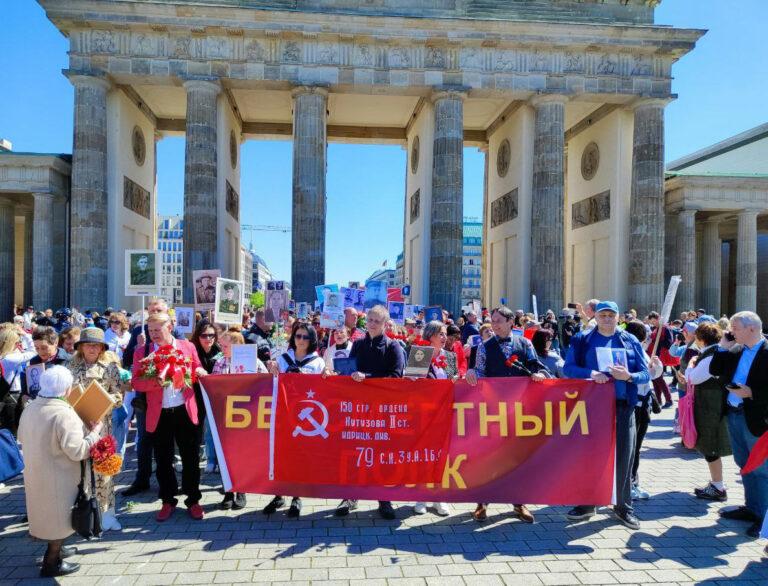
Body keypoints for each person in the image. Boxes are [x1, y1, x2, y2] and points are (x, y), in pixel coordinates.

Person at [563, 300, 650, 530]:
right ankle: (587, 503)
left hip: (623, 405)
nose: (607, 319)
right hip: (593, 406)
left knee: (624, 457)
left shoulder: (629, 340)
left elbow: (645, 374)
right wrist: (591, 373)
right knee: (589, 456)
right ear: (596, 317)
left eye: (611, 315)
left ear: (618, 317)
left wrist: (628, 376)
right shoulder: (583, 339)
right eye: (603, 315)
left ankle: (623, 507)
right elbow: (568, 368)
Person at [17, 366, 104, 577]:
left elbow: (21, 437)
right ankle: (51, 562)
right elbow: (78, 451)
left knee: (47, 516)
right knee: (59, 519)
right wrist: (94, 434)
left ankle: (60, 549)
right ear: (66, 389)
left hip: (36, 472)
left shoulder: (30, 407)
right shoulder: (63, 413)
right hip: (59, 476)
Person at [465, 306, 547, 524]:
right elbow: (479, 371)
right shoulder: (484, 347)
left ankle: (519, 502)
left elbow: (536, 367)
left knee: (517, 457)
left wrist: (539, 374)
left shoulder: (525, 344)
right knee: (489, 457)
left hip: (520, 409)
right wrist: (472, 372)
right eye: (493, 321)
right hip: (493, 410)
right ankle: (482, 502)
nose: (495, 324)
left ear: (512, 322)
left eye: (499, 320)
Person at [131, 313, 208, 522]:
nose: (154, 334)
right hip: (159, 413)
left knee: (191, 458)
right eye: (151, 330)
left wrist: (199, 371)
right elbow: (136, 383)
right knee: (163, 459)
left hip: (185, 409)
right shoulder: (142, 352)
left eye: (158, 330)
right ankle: (167, 499)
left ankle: (193, 499)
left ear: (170, 327)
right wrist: (156, 382)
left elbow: (196, 367)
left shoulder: (187, 346)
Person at [335, 305, 406, 519]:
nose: (372, 324)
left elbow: (396, 377)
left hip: (382, 410)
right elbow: (349, 372)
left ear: (385, 324)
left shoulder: (394, 346)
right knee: (355, 452)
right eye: (370, 320)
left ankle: (384, 498)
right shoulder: (357, 344)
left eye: (377, 321)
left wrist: (368, 377)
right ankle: (350, 495)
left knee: (382, 454)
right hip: (359, 409)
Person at [708, 311, 768, 538]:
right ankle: (752, 508)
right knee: (743, 463)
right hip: (734, 414)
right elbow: (715, 369)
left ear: (751, 329)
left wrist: (751, 392)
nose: (731, 332)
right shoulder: (736, 349)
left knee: (761, 469)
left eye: (736, 328)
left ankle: (763, 519)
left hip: (757, 419)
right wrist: (722, 346)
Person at [68, 327, 129, 531]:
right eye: (88, 344)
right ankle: (84, 514)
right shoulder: (71, 366)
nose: (92, 348)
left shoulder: (110, 367)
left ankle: (108, 513)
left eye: (96, 345)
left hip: (103, 427)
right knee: (81, 472)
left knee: (105, 471)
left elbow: (119, 396)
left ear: (102, 347)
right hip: (78, 427)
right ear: (81, 347)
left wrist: (108, 400)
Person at [263, 323, 326, 518]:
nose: (301, 340)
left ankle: (297, 496)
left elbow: (323, 390)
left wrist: (327, 377)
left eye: (305, 337)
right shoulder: (282, 359)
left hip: (306, 419)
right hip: (284, 414)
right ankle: (279, 493)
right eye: (298, 336)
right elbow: (272, 384)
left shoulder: (317, 362)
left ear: (312, 340)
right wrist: (270, 369)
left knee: (300, 458)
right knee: (281, 456)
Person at [210, 330, 267, 510]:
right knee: (225, 454)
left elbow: (266, 383)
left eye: (225, 346)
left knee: (241, 454)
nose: (221, 348)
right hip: (225, 415)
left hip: (246, 416)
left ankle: (241, 490)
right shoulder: (219, 362)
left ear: (236, 346)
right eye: (221, 345)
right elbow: (213, 385)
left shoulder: (254, 362)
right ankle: (228, 491)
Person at [685, 322, 731, 502]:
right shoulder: (715, 352)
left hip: (710, 407)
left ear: (701, 339)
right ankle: (717, 484)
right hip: (713, 404)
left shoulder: (710, 356)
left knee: (711, 447)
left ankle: (718, 486)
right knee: (711, 447)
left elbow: (693, 378)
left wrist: (690, 365)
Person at [414, 320, 455, 517]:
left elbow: (458, 379)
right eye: (441, 333)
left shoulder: (451, 356)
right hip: (425, 414)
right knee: (424, 455)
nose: (444, 337)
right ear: (430, 335)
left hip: (446, 414)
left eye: (445, 333)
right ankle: (421, 496)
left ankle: (440, 497)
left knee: (442, 456)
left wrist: (458, 379)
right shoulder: (420, 354)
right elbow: (412, 384)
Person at [623, 320, 662, 501]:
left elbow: (652, 375)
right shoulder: (631, 352)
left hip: (641, 405)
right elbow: (641, 379)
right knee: (633, 448)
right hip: (634, 407)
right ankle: (628, 484)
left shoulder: (641, 352)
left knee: (635, 447)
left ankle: (631, 482)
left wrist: (656, 366)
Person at [191, 319, 222, 474]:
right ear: (198, 336)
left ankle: (214, 459)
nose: (208, 338)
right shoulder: (193, 352)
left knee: (213, 429)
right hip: (196, 396)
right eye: (204, 335)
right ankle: (197, 460)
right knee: (196, 430)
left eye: (211, 335)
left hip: (215, 396)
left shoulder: (221, 351)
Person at [20, 326, 70, 406]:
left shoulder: (68, 360)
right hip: (36, 406)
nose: (40, 352)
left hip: (59, 406)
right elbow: (28, 386)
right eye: (37, 348)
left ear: (56, 343)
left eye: (44, 348)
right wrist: (25, 396)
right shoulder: (34, 361)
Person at [0, 325, 36, 433]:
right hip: (12, 395)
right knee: (12, 429)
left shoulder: (4, 356)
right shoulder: (10, 359)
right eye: (17, 342)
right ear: (12, 343)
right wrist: (25, 335)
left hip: (4, 393)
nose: (19, 344)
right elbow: (33, 352)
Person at [647, 311, 675, 408]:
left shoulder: (666, 328)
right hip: (654, 356)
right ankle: (658, 401)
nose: (653, 323)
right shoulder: (656, 329)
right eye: (652, 322)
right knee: (655, 378)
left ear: (658, 319)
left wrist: (658, 341)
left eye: (654, 321)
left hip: (660, 357)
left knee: (659, 379)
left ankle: (669, 399)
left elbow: (669, 343)